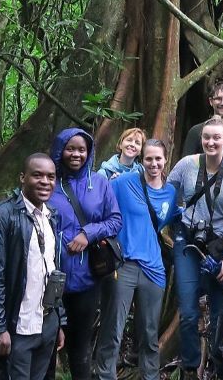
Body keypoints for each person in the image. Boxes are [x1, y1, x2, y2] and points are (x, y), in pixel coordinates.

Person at [0, 153, 65, 380]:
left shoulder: (51, 217)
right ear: (22, 178)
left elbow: (53, 271)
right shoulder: (0, 216)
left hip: (46, 325)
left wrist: (59, 321)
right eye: (38, 175)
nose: (45, 181)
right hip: (18, 327)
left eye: (51, 177)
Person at [94, 139, 181, 380]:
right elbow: (97, 202)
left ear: (165, 160)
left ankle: (149, 376)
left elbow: (173, 219)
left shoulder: (170, 192)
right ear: (142, 161)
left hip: (154, 268)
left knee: (149, 332)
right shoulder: (123, 183)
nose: (153, 163)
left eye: (158, 159)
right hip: (124, 264)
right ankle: (105, 376)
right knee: (113, 328)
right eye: (148, 159)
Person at [169, 118, 223, 380]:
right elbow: (164, 193)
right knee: (188, 311)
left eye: (216, 138)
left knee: (220, 312)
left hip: (219, 246)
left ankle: (218, 364)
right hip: (188, 242)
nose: (211, 142)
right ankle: (190, 366)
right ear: (201, 139)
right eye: (206, 138)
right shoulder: (186, 165)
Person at [48, 128, 122, 380]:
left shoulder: (99, 183)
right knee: (47, 341)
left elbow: (115, 220)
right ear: (60, 150)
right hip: (48, 276)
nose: (76, 154)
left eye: (82, 149)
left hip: (85, 278)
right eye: (70, 148)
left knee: (79, 345)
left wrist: (88, 233)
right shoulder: (49, 180)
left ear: (89, 152)